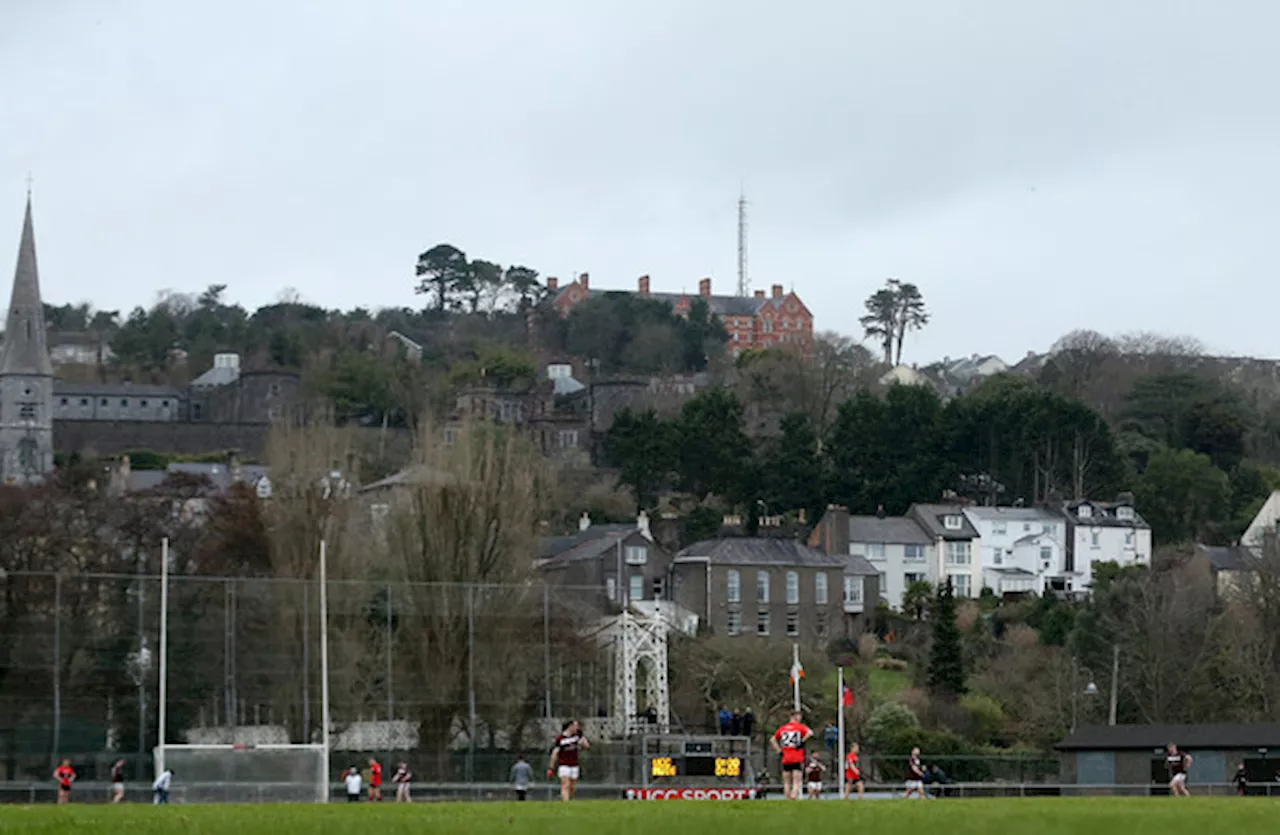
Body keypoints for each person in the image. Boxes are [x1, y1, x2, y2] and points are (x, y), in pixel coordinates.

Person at [769, 710, 813, 800]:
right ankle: (793, 796)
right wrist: (802, 741)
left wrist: (779, 750)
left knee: (786, 781)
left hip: (786, 756)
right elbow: (810, 732)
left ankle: (787, 797)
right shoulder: (800, 727)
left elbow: (772, 739)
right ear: (795, 717)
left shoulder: (783, 728)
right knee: (797, 780)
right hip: (796, 756)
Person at [549, 719, 590, 801]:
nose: (577, 728)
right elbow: (554, 753)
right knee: (565, 784)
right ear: (570, 726)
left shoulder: (578, 735)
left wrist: (583, 742)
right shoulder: (560, 739)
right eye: (575, 726)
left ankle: (569, 800)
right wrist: (551, 767)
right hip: (564, 764)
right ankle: (565, 802)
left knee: (572, 787)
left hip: (574, 764)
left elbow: (587, 746)